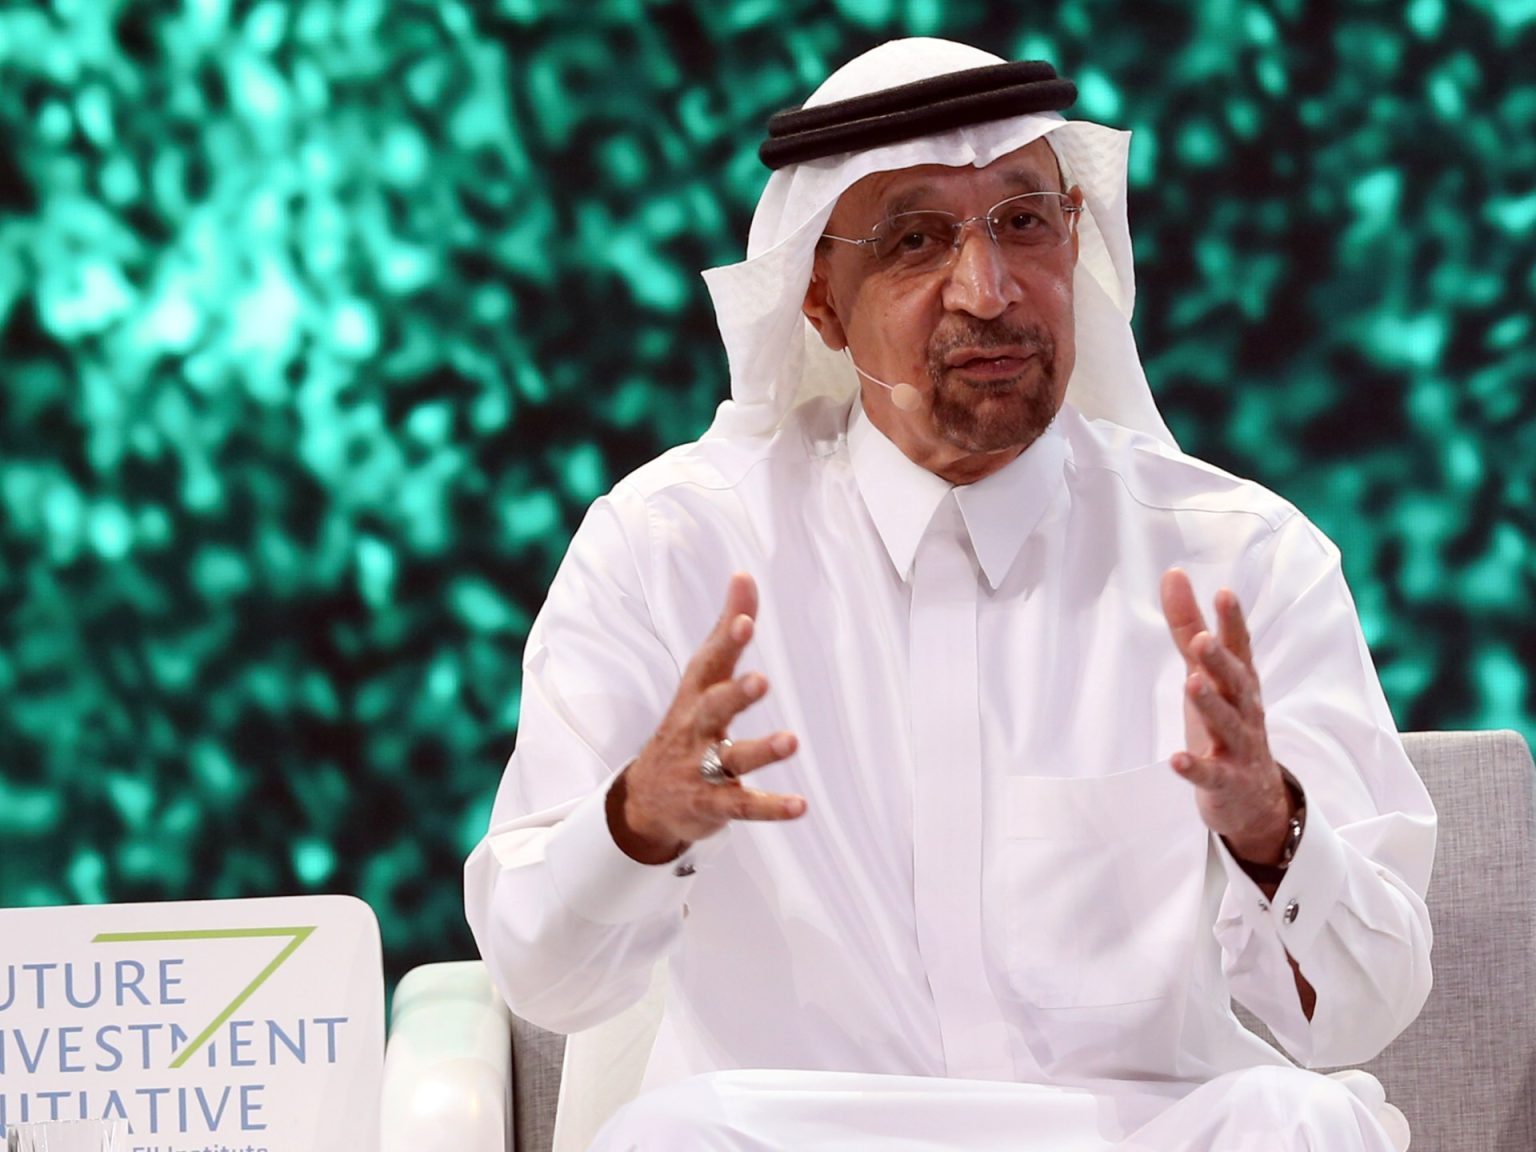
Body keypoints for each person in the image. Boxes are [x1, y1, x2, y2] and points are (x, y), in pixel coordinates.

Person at [464, 37, 1435, 1152]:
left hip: (1135, 1133)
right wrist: (637, 820)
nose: (989, 290)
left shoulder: (1240, 562)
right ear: (821, 301)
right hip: (808, 1135)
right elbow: (544, 980)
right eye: (915, 241)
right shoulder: (670, 549)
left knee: (1302, 1123)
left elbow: (1365, 1013)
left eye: (1023, 223)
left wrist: (1273, 828)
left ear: (1076, 239)